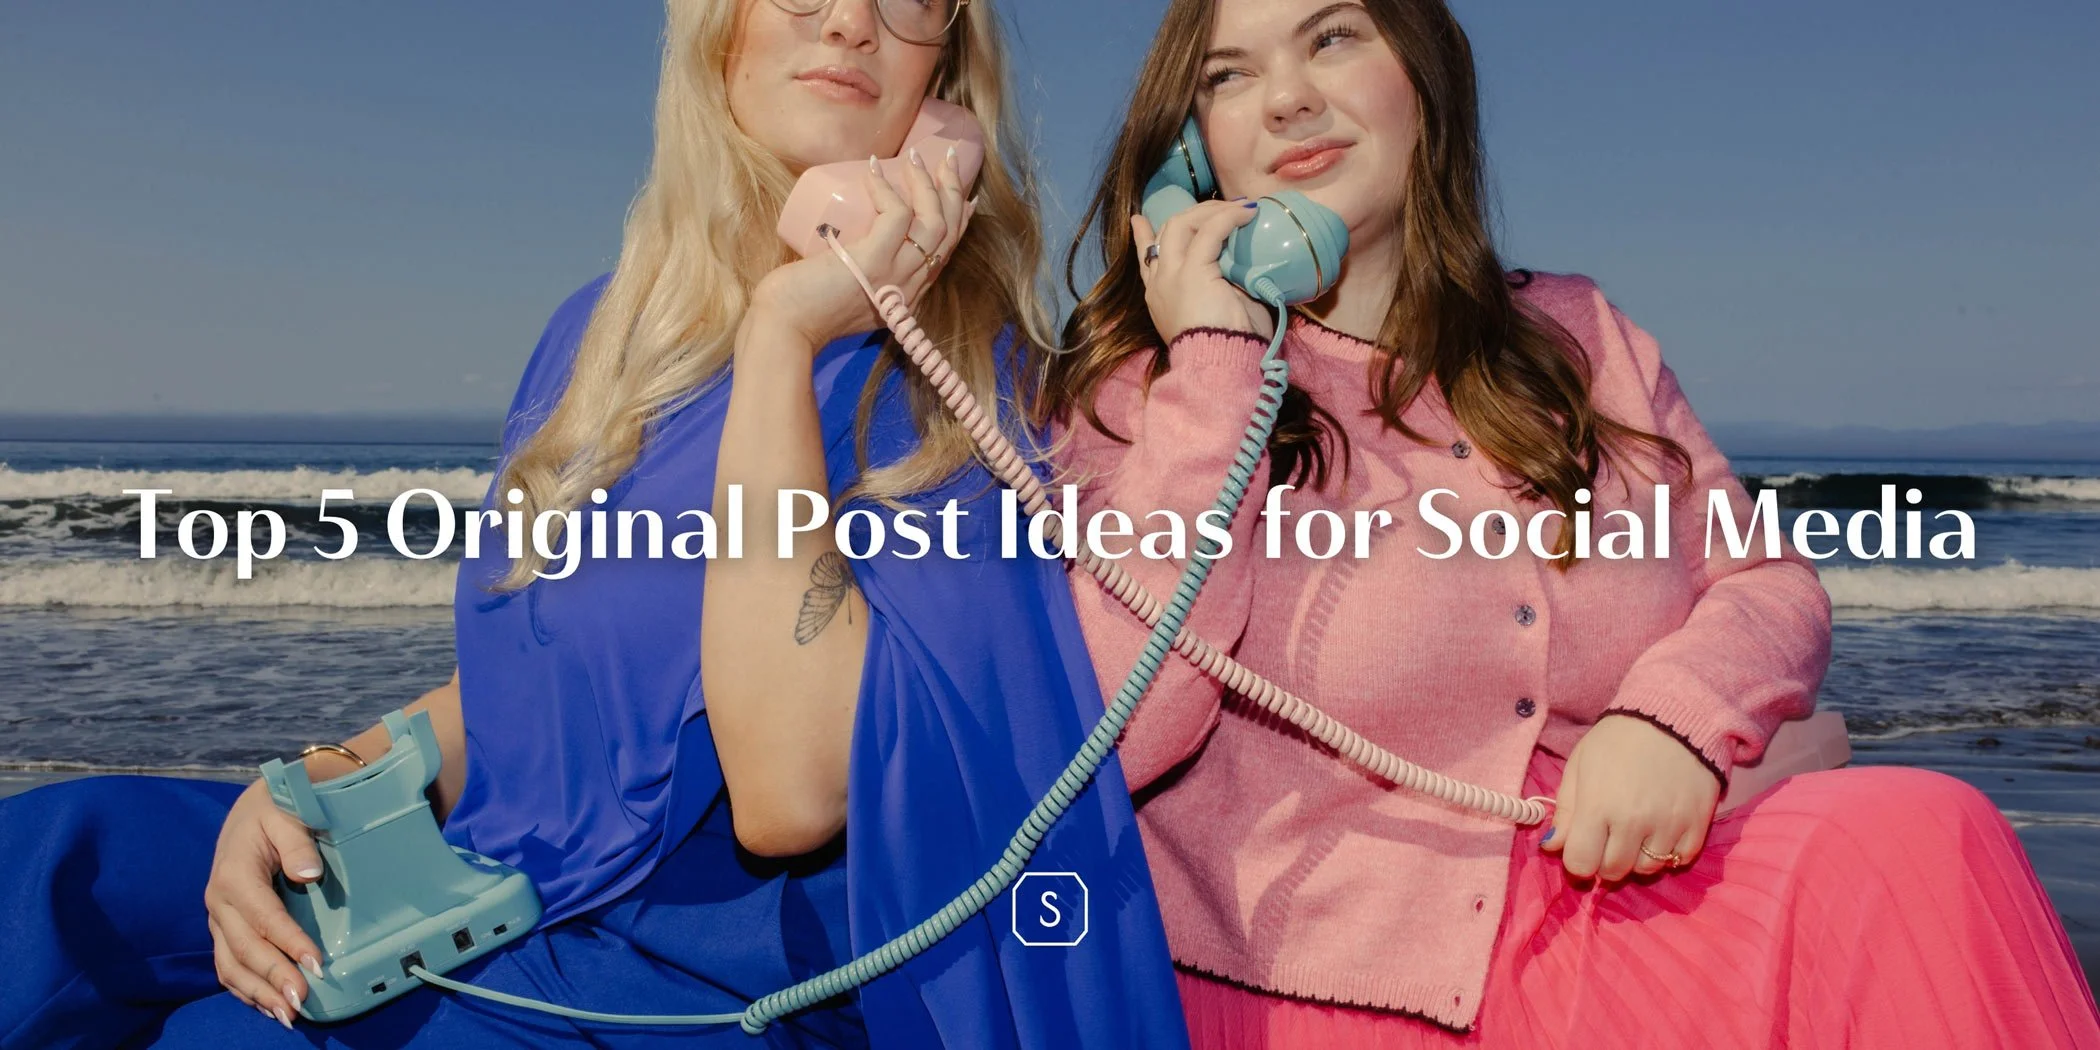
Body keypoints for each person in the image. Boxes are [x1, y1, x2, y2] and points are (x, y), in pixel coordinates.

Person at [0, 1, 1189, 1047]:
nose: (850, 20)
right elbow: (544, 680)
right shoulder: (610, 335)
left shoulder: (960, 393)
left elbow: (789, 792)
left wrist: (787, 340)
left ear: (949, 74)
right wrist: (321, 778)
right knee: (50, 858)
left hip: (685, 960)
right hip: (502, 847)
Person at [1045, 0, 2100, 1046]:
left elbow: (1767, 581)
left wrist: (1674, 718)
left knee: (1922, 835)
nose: (1287, 99)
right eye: (1228, 76)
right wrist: (1218, 369)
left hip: (1628, 909)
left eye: (1332, 38)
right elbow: (1116, 731)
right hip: (1331, 981)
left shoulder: (1581, 335)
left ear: (1424, 75)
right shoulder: (1150, 394)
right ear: (1192, 151)